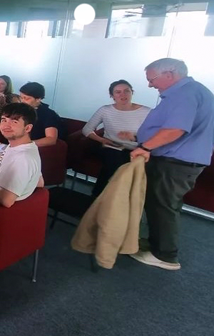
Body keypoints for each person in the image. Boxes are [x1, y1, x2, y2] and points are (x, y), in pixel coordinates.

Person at [129, 58, 214, 270]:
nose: (150, 85)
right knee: (159, 204)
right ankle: (157, 244)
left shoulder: (185, 93)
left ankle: (166, 256)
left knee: (164, 206)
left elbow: (176, 129)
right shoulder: (194, 91)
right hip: (177, 160)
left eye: (152, 79)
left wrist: (146, 147)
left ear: (170, 73)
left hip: (176, 162)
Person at [82, 80, 151, 197]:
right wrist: (102, 140)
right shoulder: (105, 110)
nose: (123, 95)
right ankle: (101, 196)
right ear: (112, 96)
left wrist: (134, 137)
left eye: (126, 91)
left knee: (122, 159)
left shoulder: (147, 112)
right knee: (114, 157)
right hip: (110, 146)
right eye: (118, 92)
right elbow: (87, 130)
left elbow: (155, 136)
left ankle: (103, 196)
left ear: (132, 92)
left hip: (136, 149)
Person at [0, 103, 44, 208]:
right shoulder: (22, 146)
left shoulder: (23, 158)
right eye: (4, 120)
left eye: (14, 121)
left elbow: (6, 200)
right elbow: (39, 182)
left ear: (27, 128)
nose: (6, 126)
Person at [0, 82, 61, 147]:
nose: (23, 101)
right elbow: (8, 122)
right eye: (21, 97)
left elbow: (51, 139)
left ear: (38, 99)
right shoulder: (21, 109)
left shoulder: (48, 114)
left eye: (26, 98)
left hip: (30, 148)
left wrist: (24, 144)